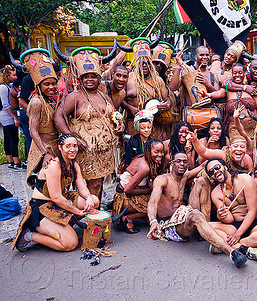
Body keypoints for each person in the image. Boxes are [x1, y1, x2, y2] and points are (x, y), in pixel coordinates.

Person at [147, 153, 248, 268]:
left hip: (185, 215)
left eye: (185, 162)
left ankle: (205, 228)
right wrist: (153, 221)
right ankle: (232, 252)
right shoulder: (162, 179)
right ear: (172, 163)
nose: (182, 164)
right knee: (194, 214)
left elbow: (205, 163)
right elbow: (152, 202)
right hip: (171, 225)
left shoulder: (185, 176)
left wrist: (226, 161)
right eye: (178, 161)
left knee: (203, 180)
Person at [54, 46, 124, 199]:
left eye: (93, 76)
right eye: (86, 76)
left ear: (99, 78)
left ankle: (95, 210)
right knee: (89, 183)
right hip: (85, 150)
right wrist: (71, 139)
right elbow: (58, 117)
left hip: (104, 151)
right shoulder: (75, 97)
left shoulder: (103, 95)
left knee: (98, 183)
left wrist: (121, 125)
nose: (90, 79)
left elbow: (114, 115)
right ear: (80, 79)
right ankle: (90, 212)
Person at [13, 134, 100, 252]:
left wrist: (89, 197)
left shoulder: (73, 164)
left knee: (94, 201)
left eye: (75, 146)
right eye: (68, 146)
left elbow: (81, 186)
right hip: (43, 208)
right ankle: (29, 236)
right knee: (70, 243)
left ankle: (64, 226)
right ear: (60, 147)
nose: (72, 149)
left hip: (60, 202)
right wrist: (78, 211)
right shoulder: (54, 165)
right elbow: (56, 198)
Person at [207, 158, 257, 262]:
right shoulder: (215, 193)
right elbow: (229, 219)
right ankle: (245, 249)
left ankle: (227, 246)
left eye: (217, 167)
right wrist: (221, 216)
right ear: (211, 176)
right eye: (211, 172)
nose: (215, 171)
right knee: (207, 227)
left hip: (254, 224)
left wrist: (237, 235)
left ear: (225, 166)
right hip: (234, 226)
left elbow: (252, 211)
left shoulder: (245, 180)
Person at [114, 139, 166, 233]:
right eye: (156, 152)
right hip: (123, 199)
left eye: (162, 152)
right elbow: (127, 190)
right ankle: (128, 218)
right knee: (157, 205)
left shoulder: (145, 158)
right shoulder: (144, 167)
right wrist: (147, 191)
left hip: (129, 195)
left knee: (158, 200)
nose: (160, 155)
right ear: (148, 151)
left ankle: (145, 216)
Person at [0, 65, 22, 169]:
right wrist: (14, 117)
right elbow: (6, 104)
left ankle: (11, 161)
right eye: (13, 75)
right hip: (7, 116)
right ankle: (16, 161)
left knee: (8, 138)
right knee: (13, 139)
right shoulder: (3, 88)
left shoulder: (7, 85)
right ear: (7, 76)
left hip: (6, 115)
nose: (15, 76)